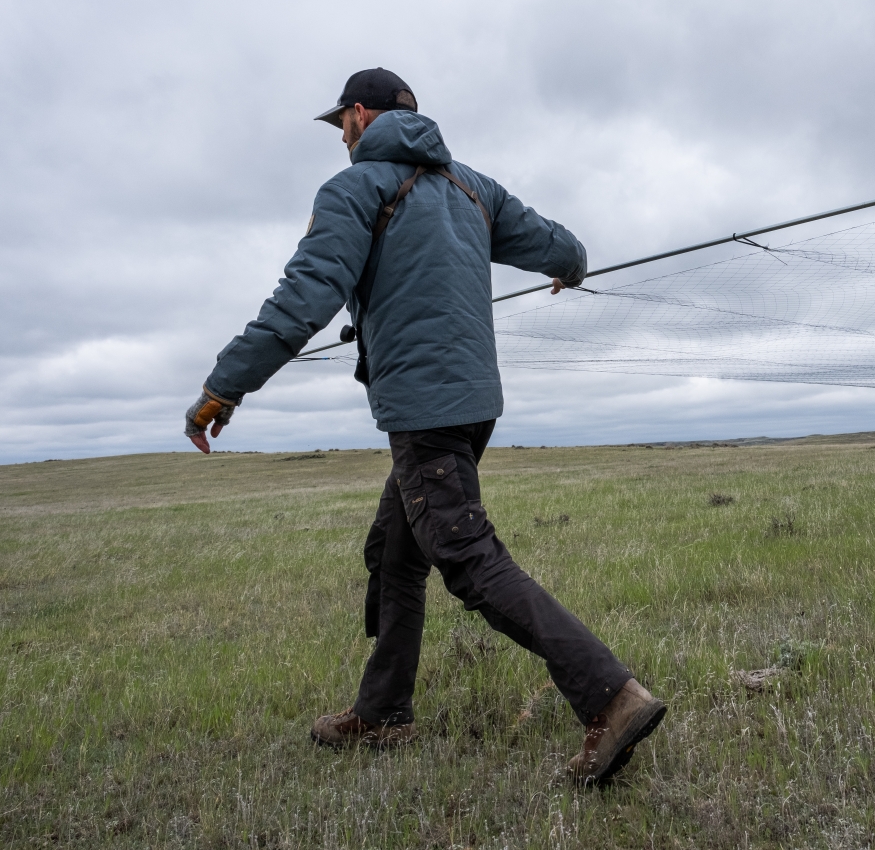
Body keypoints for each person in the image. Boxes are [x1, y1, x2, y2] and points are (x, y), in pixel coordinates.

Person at [182, 68, 665, 784]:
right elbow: (557, 244)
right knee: (396, 549)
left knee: (468, 561)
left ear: (357, 115)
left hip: (424, 408)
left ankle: (612, 695)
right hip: (474, 404)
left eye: (341, 123)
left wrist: (225, 384)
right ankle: (381, 713)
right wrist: (574, 264)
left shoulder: (352, 189)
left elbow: (304, 296)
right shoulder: (474, 187)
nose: (341, 135)